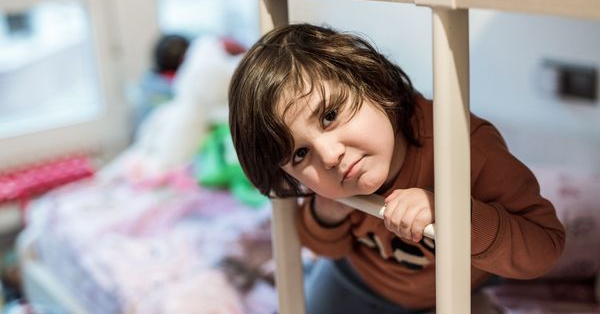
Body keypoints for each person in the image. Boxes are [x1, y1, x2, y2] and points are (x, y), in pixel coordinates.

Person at [228, 23, 565, 313]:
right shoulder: (336, 185)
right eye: (300, 154)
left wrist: (453, 212)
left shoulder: (464, 144)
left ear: (372, 82)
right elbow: (326, 246)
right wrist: (327, 216)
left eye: (330, 116)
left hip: (454, 292)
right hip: (358, 283)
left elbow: (543, 248)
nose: (329, 156)